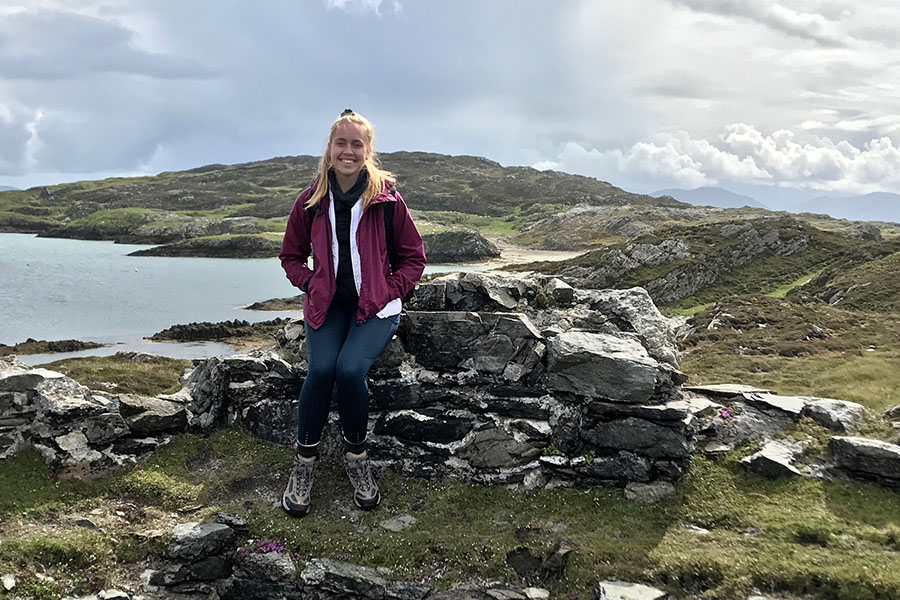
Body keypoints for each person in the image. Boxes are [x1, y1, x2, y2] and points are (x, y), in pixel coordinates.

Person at [278, 110, 426, 517]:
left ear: (368, 151)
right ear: (329, 149)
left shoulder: (387, 200)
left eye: (356, 144)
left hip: (376, 308)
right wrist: (312, 283)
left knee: (348, 370)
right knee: (321, 369)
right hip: (328, 305)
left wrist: (387, 291)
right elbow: (290, 256)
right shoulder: (310, 201)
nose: (347, 150)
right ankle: (304, 464)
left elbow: (414, 259)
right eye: (340, 143)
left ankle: (356, 459)